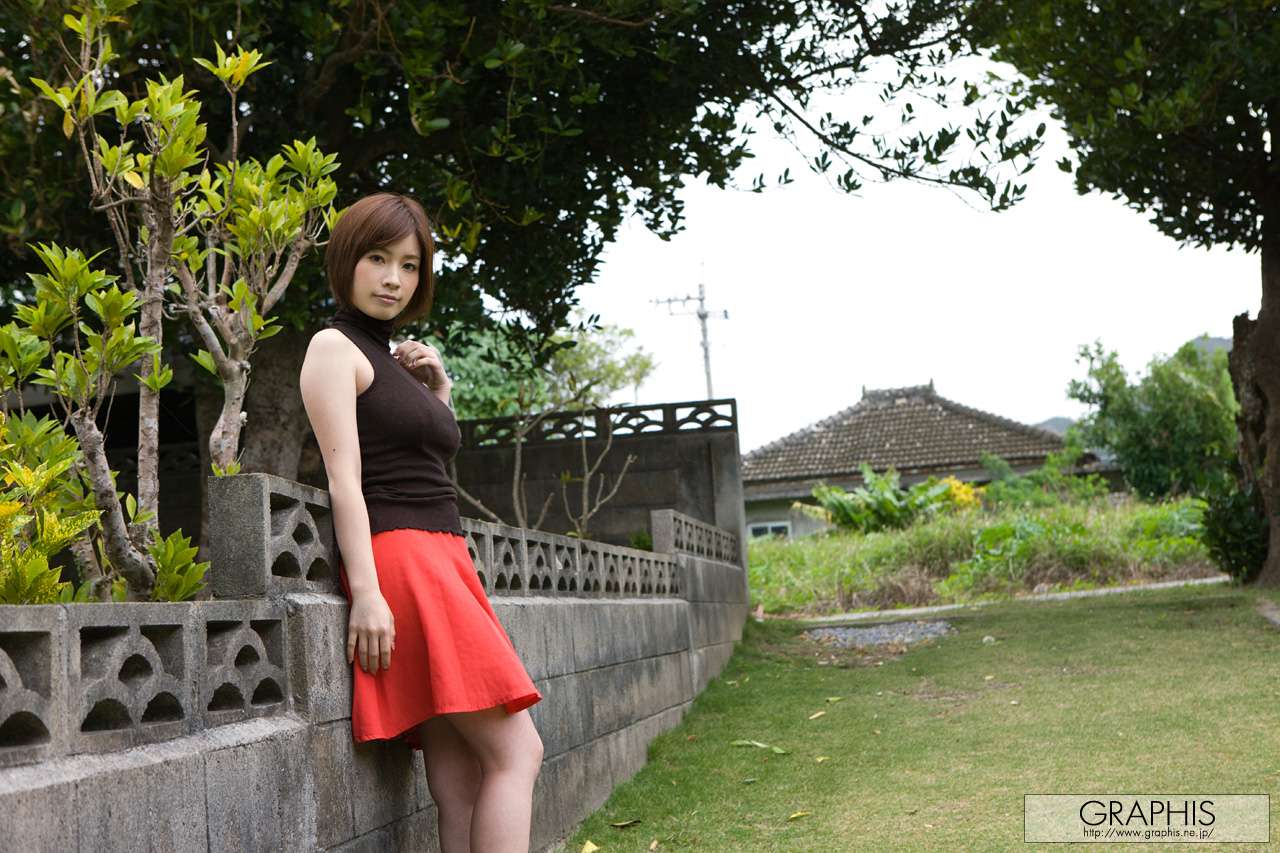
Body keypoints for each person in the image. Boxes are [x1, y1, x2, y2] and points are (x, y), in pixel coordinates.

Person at [299, 191, 545, 852]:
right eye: (378, 259)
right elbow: (345, 479)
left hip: (442, 556)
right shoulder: (333, 347)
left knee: (461, 773)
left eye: (409, 265)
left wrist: (438, 393)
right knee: (517, 752)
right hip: (405, 559)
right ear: (347, 260)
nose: (393, 278)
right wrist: (367, 591)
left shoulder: (389, 358)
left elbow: (426, 452)